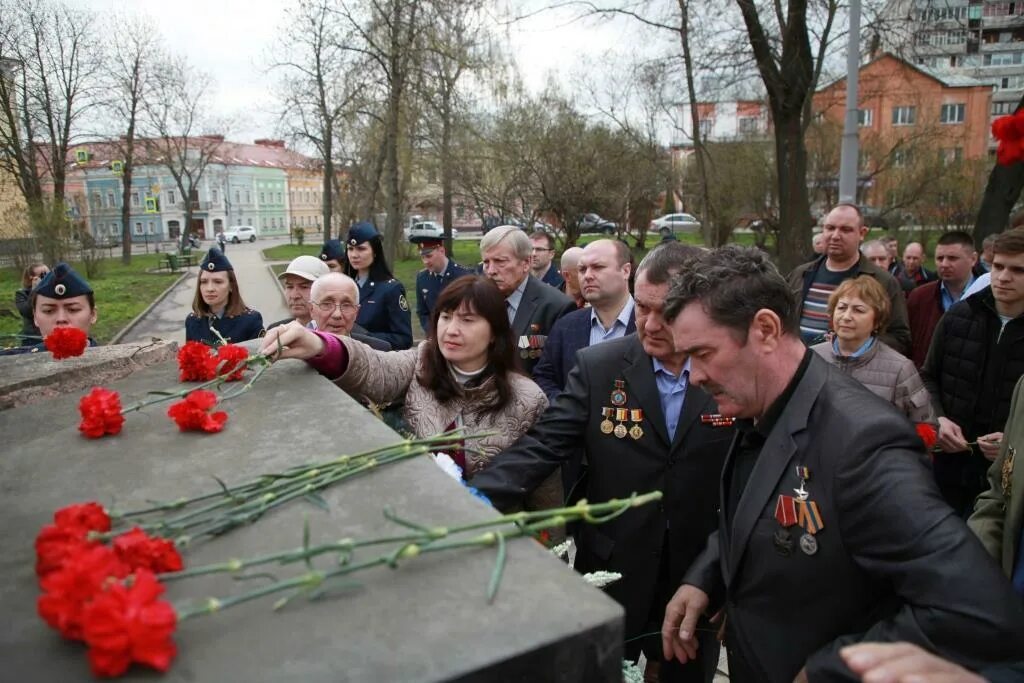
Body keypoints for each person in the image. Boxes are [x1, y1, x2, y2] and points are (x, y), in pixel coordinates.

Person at [660, 244, 1024, 682]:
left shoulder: (863, 443)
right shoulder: (761, 402)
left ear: (766, 330)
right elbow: (756, 506)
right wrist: (706, 575)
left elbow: (978, 611)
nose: (693, 376)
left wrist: (834, 668)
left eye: (702, 354)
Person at [470, 243, 732, 683]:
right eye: (642, 307)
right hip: (615, 564)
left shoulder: (727, 372)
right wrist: (472, 496)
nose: (647, 324)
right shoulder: (601, 366)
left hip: (697, 572)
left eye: (663, 313)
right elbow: (546, 443)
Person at [259, 274, 561, 509]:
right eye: (445, 316)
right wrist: (319, 345)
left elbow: (544, 495)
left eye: (467, 320)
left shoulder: (528, 400)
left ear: (494, 332)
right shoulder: (420, 361)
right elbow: (373, 368)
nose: (451, 329)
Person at [922, 229, 1024, 517]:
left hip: (1012, 476)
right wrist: (938, 419)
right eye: (998, 266)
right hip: (950, 467)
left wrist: (1015, 441)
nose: (1003, 277)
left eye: (1018, 270)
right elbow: (927, 376)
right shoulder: (958, 316)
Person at [788, 203, 911, 355]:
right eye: (830, 228)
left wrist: (856, 344)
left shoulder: (882, 282)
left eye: (845, 229)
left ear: (862, 233)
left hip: (852, 374)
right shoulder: (800, 275)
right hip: (801, 371)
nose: (835, 235)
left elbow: (900, 339)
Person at [810, 276, 935, 424]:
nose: (846, 317)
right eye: (842, 307)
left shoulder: (900, 369)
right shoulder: (811, 357)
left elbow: (925, 427)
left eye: (858, 310)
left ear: (877, 321)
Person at [533, 239, 636, 403]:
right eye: (582, 269)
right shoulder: (566, 326)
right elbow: (544, 376)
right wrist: (567, 409)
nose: (587, 276)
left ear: (625, 271)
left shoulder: (650, 324)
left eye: (598, 267)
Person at [480, 226, 575, 374]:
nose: (491, 270)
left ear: (526, 263)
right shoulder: (477, 300)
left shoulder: (556, 307)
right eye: (486, 262)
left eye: (500, 261)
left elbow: (559, 374)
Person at [906, 231, 978, 368]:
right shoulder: (919, 297)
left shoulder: (988, 297)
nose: (944, 264)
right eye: (939, 258)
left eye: (952, 258)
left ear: (973, 259)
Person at [1, 263, 100, 356]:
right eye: (48, 311)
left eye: (73, 309)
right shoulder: (14, 361)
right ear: (35, 317)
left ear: (93, 315)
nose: (61, 319)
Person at [343, 222, 413, 350]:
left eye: (361, 249)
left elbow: (404, 339)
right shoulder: (344, 285)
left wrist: (365, 337)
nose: (354, 255)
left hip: (378, 363)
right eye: (350, 249)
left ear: (375, 252)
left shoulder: (391, 289)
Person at [185, 248, 264, 345]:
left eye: (218, 282)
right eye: (204, 282)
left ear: (231, 286)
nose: (209, 288)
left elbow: (259, 358)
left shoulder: (250, 321)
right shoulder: (192, 321)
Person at [308, 272, 391, 351]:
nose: (337, 314)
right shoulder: (298, 351)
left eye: (346, 305)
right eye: (327, 304)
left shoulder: (377, 350)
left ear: (356, 312)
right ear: (312, 309)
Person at [412, 236, 472, 335]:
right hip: (434, 336)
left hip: (458, 334)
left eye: (429, 256)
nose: (425, 262)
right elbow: (422, 312)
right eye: (422, 257)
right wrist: (433, 332)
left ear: (442, 251)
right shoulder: (422, 277)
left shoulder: (463, 276)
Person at [267, 255, 329, 330]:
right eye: (289, 287)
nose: (294, 296)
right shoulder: (276, 330)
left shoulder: (337, 334)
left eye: (304, 287)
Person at [15, 262, 48, 344]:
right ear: (31, 278)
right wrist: (35, 291)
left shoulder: (54, 290)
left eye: (49, 273)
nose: (48, 277)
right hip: (34, 336)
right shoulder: (22, 294)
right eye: (43, 275)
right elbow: (27, 312)